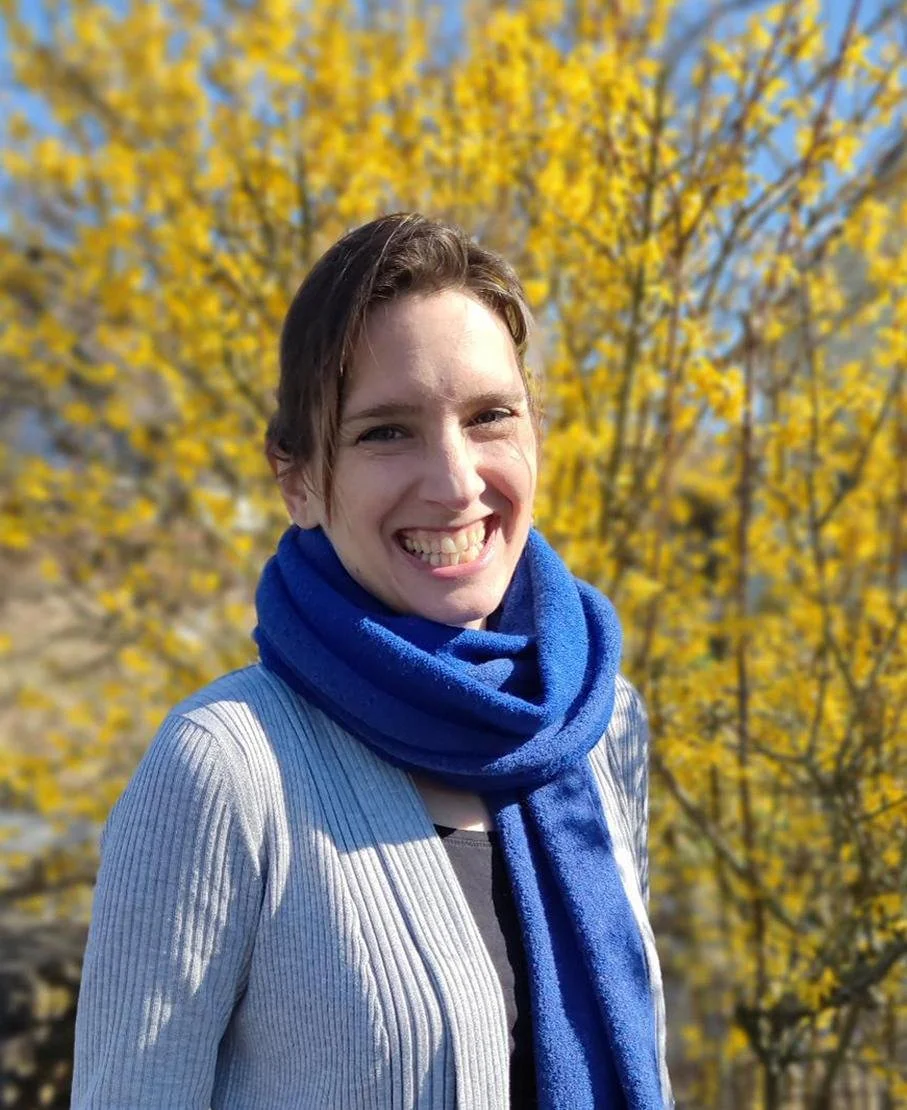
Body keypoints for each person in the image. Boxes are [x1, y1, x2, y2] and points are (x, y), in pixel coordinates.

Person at [71, 213, 672, 1109]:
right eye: (386, 432)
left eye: (490, 417)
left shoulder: (599, 724)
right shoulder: (226, 768)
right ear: (298, 480)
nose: (456, 482)